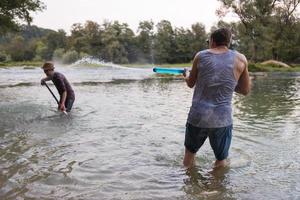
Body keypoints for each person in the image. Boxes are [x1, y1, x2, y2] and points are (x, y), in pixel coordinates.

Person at [183, 28, 251, 168]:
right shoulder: (241, 59)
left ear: (212, 41)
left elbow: (191, 83)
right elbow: (245, 90)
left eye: (209, 41)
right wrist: (227, 84)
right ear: (228, 42)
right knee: (221, 160)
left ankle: (190, 187)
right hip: (222, 119)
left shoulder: (200, 56)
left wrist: (186, 74)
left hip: (198, 116)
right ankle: (216, 188)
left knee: (189, 155)